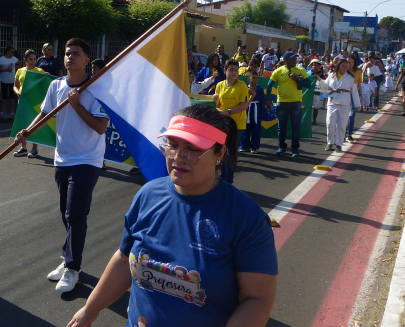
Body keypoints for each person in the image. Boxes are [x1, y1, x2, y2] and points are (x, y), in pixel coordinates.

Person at [66, 105, 278, 327]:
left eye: (193, 149)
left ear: (220, 153)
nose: (178, 157)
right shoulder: (148, 195)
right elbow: (123, 258)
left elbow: (257, 299)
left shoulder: (245, 217)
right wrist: (90, 310)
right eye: (172, 145)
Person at [14, 38, 109, 293]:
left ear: (86, 59)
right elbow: (45, 114)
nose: (70, 57)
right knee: (66, 212)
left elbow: (100, 127)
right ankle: (68, 258)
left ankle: (73, 268)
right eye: (67, 53)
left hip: (87, 159)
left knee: (75, 213)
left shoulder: (96, 88)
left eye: (76, 54)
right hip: (63, 158)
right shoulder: (56, 85)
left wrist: (76, 105)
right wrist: (27, 131)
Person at [213, 59, 253, 183]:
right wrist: (215, 100)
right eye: (231, 70)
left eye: (236, 70)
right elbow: (218, 106)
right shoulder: (220, 85)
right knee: (221, 151)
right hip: (222, 124)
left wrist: (228, 112)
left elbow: (244, 105)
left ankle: (228, 179)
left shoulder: (242, 85)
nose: (234, 72)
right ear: (225, 71)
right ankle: (222, 177)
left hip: (237, 125)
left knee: (230, 153)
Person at [270, 51, 310, 157]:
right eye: (292, 59)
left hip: (296, 103)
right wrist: (268, 100)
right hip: (282, 103)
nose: (295, 61)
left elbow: (309, 85)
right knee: (281, 127)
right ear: (286, 60)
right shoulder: (278, 71)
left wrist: (298, 80)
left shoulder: (301, 70)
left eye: (295, 59)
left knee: (296, 127)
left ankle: (295, 149)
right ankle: (281, 147)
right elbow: (269, 85)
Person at [315, 59, 361, 152]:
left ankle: (339, 144)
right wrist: (319, 80)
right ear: (338, 66)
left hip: (345, 103)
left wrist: (357, 104)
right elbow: (326, 87)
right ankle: (330, 142)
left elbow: (354, 91)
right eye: (343, 66)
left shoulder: (350, 77)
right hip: (332, 102)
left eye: (346, 67)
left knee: (341, 125)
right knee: (330, 123)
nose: (345, 68)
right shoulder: (332, 75)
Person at [13, 50, 47, 159]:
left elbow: (46, 83)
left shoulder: (39, 71)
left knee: (34, 124)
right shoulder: (20, 71)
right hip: (23, 101)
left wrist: (47, 76)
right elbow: (15, 85)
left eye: (34, 59)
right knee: (23, 124)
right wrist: (17, 92)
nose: (33, 61)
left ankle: (34, 149)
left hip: (35, 101)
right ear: (25, 60)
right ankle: (23, 148)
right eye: (30, 59)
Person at [240, 70, 265, 154]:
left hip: (256, 111)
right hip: (246, 109)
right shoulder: (244, 88)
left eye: (256, 78)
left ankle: (254, 147)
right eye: (253, 78)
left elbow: (263, 102)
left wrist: (261, 115)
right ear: (248, 78)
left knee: (256, 129)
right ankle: (244, 146)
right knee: (245, 129)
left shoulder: (260, 89)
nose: (255, 79)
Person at [0, 47, 19, 117]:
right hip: (4, 79)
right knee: (4, 95)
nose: (13, 54)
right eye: (11, 52)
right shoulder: (2, 59)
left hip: (12, 80)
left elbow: (20, 63)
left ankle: (12, 110)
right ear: (7, 52)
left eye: (13, 52)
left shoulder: (14, 58)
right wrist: (6, 70)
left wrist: (15, 68)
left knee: (12, 95)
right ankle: (4, 109)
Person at [309, 59, 326, 125]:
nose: (314, 67)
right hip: (309, 91)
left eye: (315, 65)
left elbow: (323, 83)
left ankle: (314, 120)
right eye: (313, 65)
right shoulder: (310, 73)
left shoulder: (321, 74)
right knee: (308, 106)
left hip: (317, 92)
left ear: (319, 66)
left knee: (315, 106)